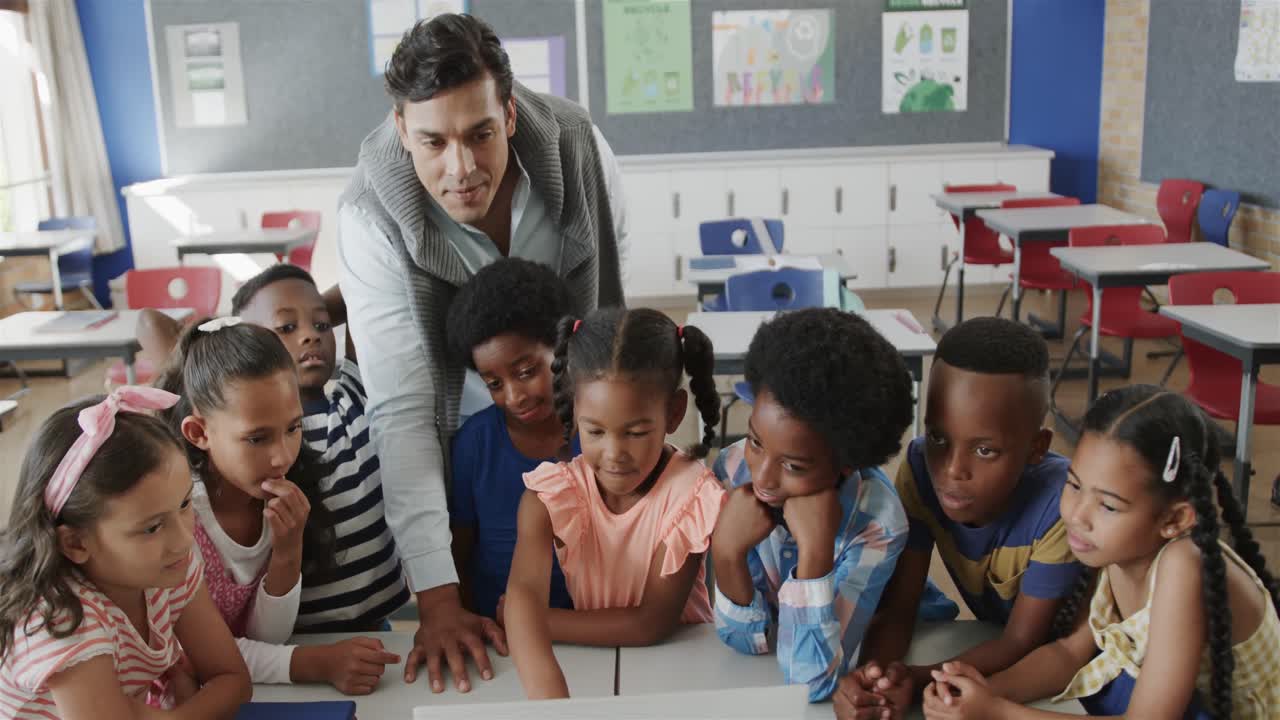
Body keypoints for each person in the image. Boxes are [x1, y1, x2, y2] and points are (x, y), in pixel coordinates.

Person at [336, 13, 627, 692]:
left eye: (481, 134)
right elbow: (404, 413)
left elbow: (612, 314)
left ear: (512, 113)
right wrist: (438, 600)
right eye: (433, 142)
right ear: (402, 130)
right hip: (464, 447)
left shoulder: (580, 151)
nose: (461, 169)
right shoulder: (368, 215)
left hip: (581, 429)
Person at [921, 386, 1280, 720]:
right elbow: (1068, 654)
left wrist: (996, 711)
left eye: (1108, 505)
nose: (1077, 516)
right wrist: (979, 691)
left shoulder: (1182, 565)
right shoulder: (1117, 547)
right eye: (1074, 485)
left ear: (1175, 519)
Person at [842, 317, 1084, 720]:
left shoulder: (1060, 506)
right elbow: (903, 607)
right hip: (994, 661)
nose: (953, 469)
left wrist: (919, 681)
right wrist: (876, 680)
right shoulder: (920, 468)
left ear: (1036, 447)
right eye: (938, 437)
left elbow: (1022, 639)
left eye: (985, 450)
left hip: (1065, 679)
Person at [157, 320, 399, 695]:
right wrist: (317, 663)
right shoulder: (179, 517)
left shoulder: (274, 495)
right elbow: (199, 652)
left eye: (293, 428)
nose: (282, 456)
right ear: (199, 433)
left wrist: (288, 551)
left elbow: (265, 636)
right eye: (256, 438)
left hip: (252, 688)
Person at [504, 307, 724, 699]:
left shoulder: (691, 494)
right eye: (595, 431)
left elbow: (650, 624)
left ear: (673, 413)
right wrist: (551, 704)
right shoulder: (550, 496)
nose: (614, 453)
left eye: (636, 432)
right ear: (574, 409)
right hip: (598, 671)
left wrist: (545, 622)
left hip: (687, 674)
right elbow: (522, 598)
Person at [0, 388, 251, 717]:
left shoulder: (170, 567)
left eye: (185, 504)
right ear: (76, 543)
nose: (183, 539)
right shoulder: (61, 617)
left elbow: (233, 680)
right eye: (151, 528)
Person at [711, 308, 914, 702]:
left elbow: (812, 681)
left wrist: (816, 555)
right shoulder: (734, 468)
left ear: (847, 462)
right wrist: (726, 552)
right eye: (755, 441)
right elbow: (744, 641)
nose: (764, 479)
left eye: (793, 465)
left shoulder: (878, 524)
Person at [229, 266, 411, 632]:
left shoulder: (356, 395)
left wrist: (309, 309)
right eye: (286, 328)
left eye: (322, 326)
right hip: (295, 635)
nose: (311, 337)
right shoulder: (252, 436)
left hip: (377, 625)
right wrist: (237, 344)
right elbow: (150, 326)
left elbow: (367, 279)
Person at [444, 258, 576, 620]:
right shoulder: (475, 444)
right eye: (495, 384)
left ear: (563, 348)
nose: (515, 396)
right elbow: (461, 550)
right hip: (499, 633)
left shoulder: (598, 432)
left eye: (526, 371)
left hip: (593, 627)